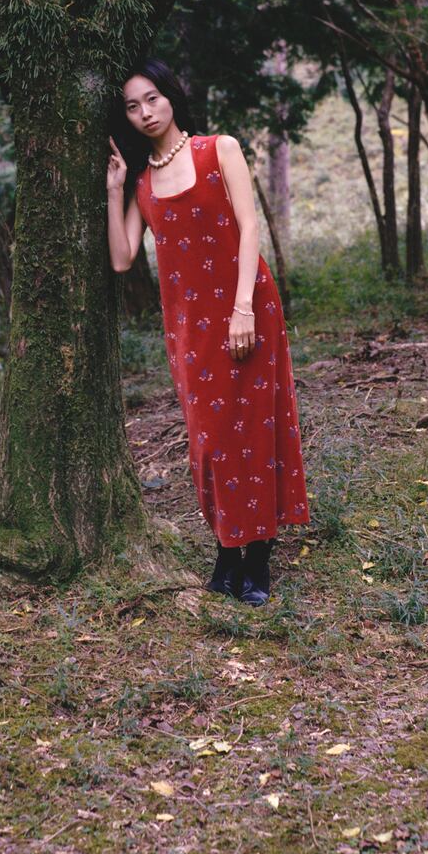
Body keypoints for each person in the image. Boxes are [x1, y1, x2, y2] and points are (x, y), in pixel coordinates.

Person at [107, 57, 310, 605]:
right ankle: (227, 546)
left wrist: (243, 309)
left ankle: (258, 556)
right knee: (211, 440)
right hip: (188, 328)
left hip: (248, 305)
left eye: (152, 98)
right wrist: (115, 187)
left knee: (257, 426)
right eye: (132, 106)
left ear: (171, 96)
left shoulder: (219, 149)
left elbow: (249, 224)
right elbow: (122, 258)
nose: (146, 112)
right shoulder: (143, 183)